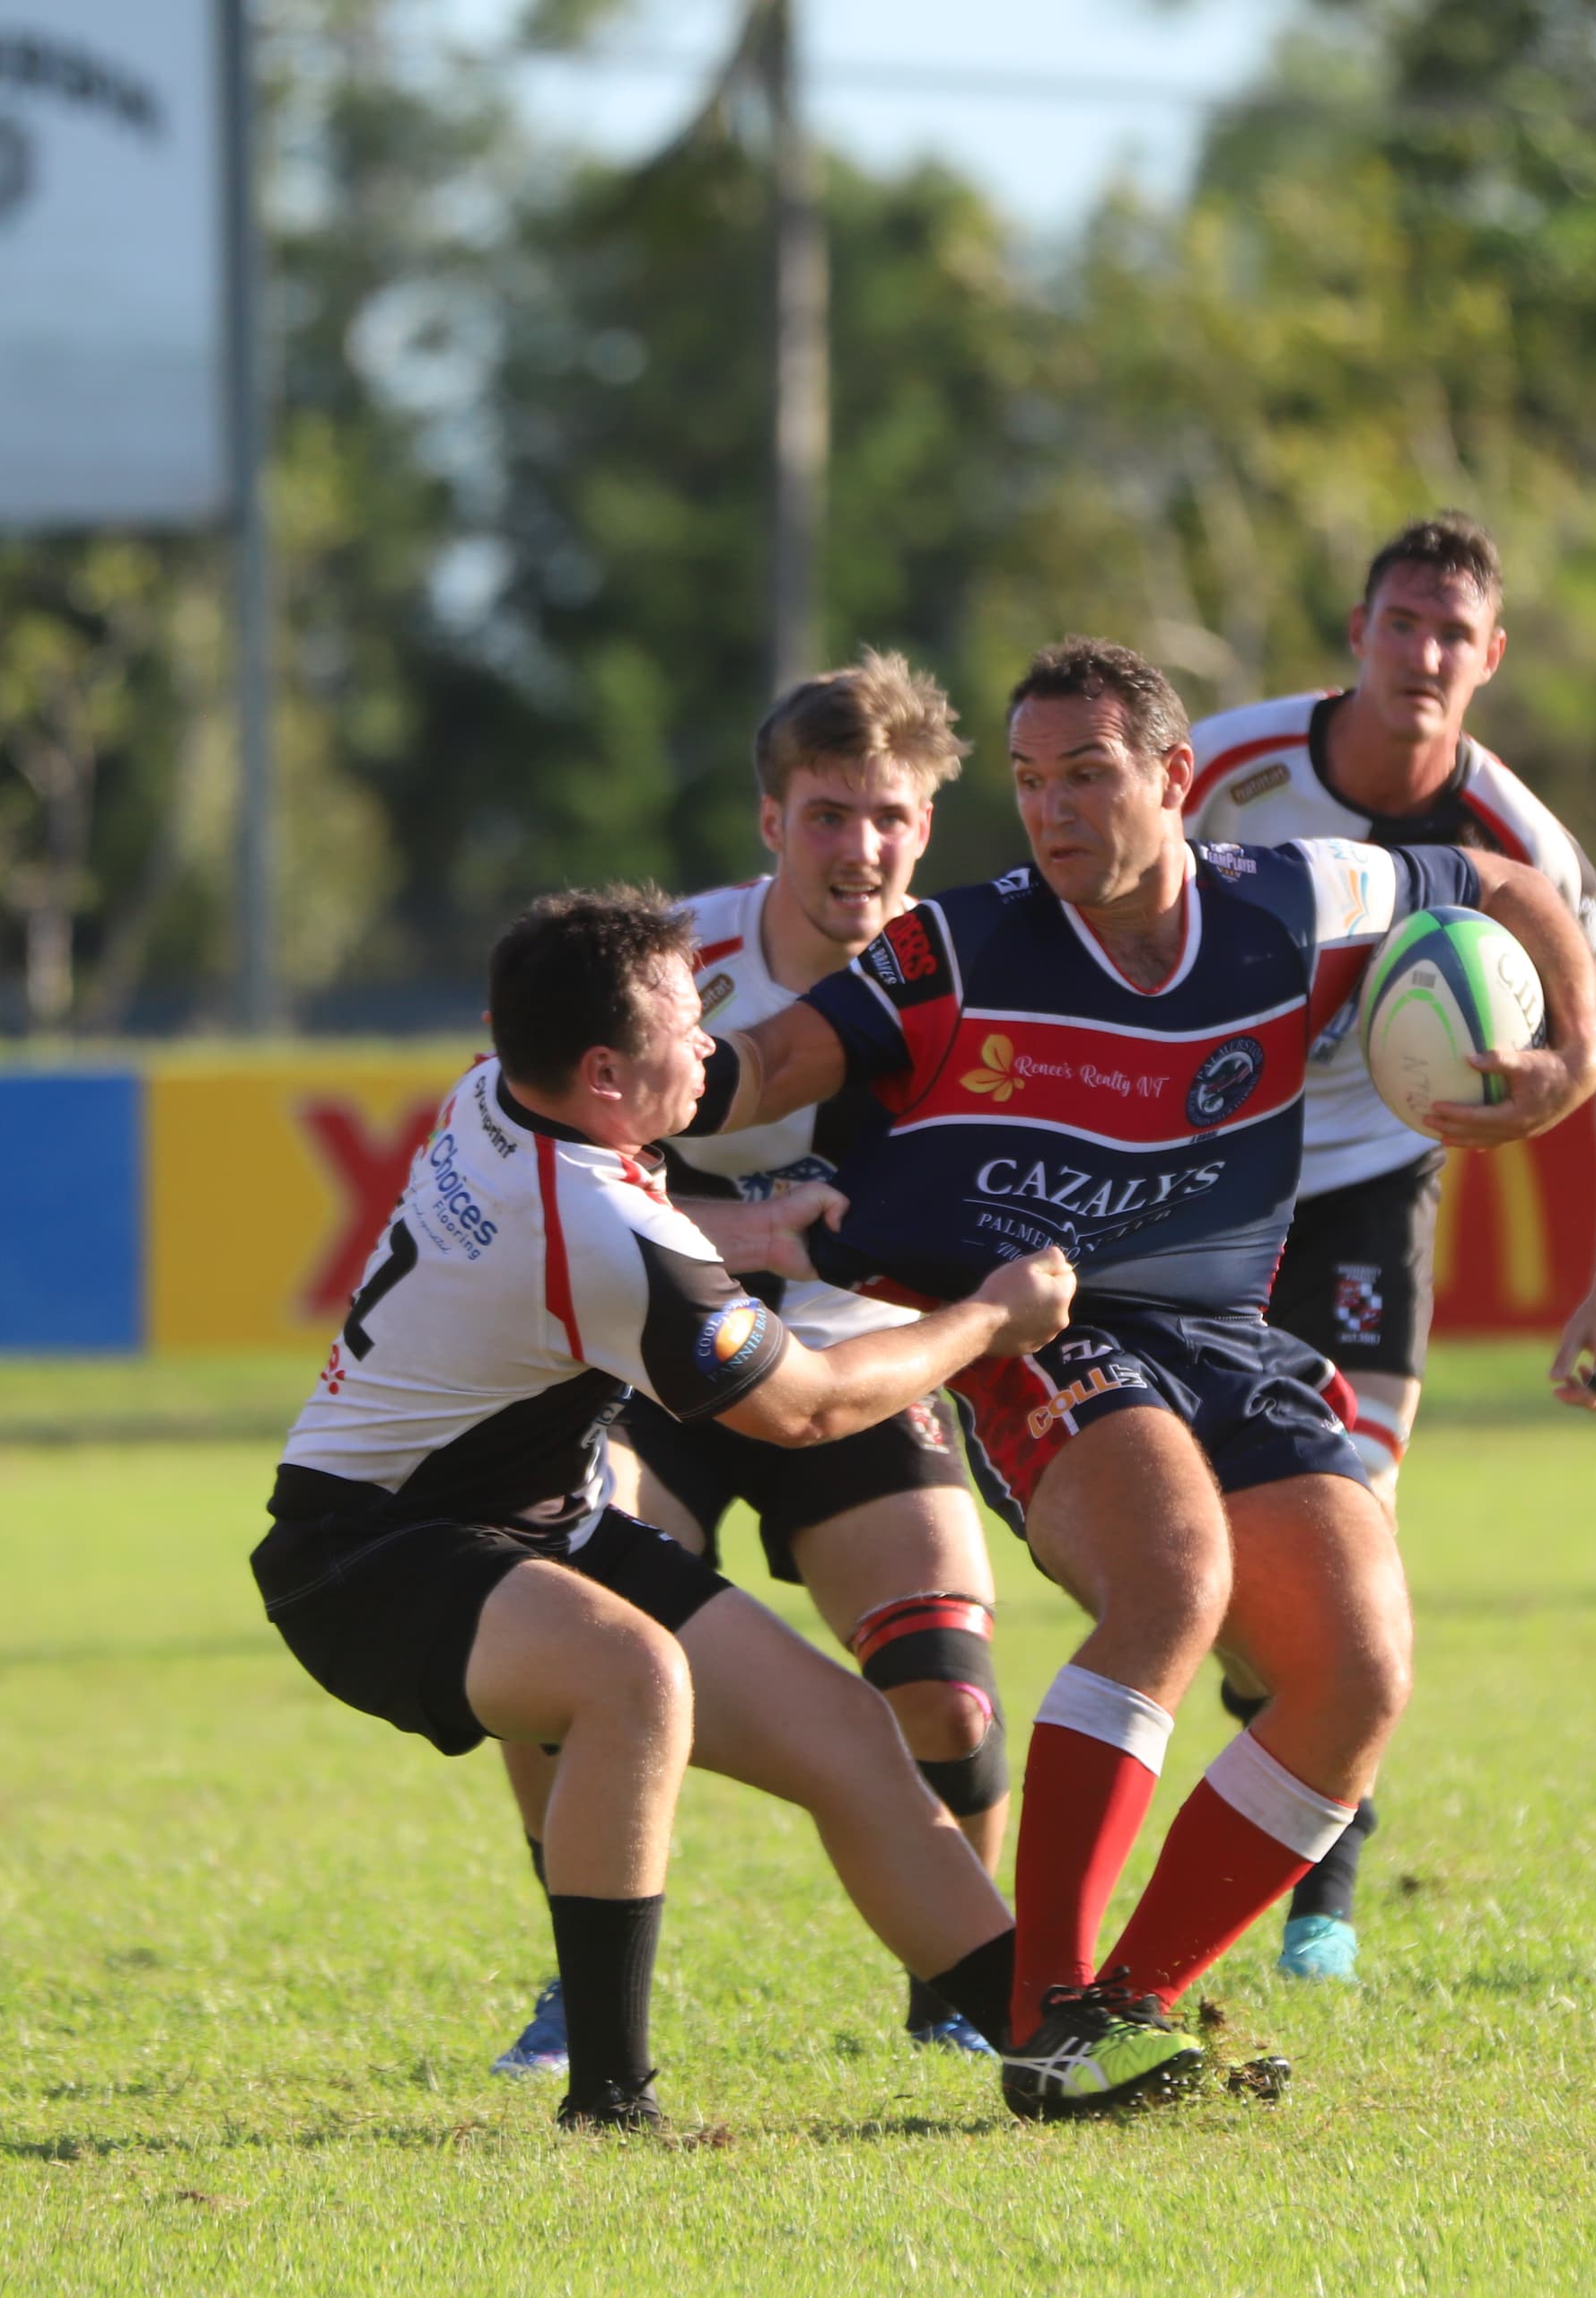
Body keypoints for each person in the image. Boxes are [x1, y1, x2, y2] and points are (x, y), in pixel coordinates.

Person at [694, 636, 1596, 2118]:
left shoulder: (1295, 898)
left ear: (1175, 781)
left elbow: (1505, 888)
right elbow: (777, 1062)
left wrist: (1569, 1053)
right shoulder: (959, 946)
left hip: (1229, 1341)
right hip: (1033, 1324)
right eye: (1029, 781)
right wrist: (647, 1082)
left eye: (1088, 775)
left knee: (1355, 1672)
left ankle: (1135, 2005)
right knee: (1173, 1579)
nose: (1050, 810)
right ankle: (1050, 2020)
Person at [251, 886, 1086, 2132]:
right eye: (685, 1023)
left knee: (851, 1737)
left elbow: (618, 1232)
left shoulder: (495, 1092)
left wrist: (751, 1231)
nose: (710, 1042)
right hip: (362, 1552)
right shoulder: (593, 1223)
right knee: (632, 1679)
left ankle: (1045, 2043)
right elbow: (805, 1409)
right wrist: (986, 1321)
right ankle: (609, 2098)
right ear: (601, 1072)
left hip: (521, 1516)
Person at [488, 653, 1013, 2077]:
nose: (864, 847)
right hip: (651, 1371)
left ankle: (959, 1981)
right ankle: (571, 1981)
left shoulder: (978, 974)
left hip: (855, 1361)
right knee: (568, 1653)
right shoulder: (669, 965)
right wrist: (750, 1228)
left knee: (948, 1687)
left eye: (891, 816)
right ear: (774, 821)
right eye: (830, 814)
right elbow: (533, 1156)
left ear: (925, 825)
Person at [1181, 510, 1596, 1979]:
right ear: (1358, 633)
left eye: (1456, 633)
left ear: (1493, 657)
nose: (1426, 654)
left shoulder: (1513, 831)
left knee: (1351, 1532)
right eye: (1404, 623)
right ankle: (1303, 1754)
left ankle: (1327, 1876)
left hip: (1378, 1192)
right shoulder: (1227, 767)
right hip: (1209, 1176)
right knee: (1209, 1559)